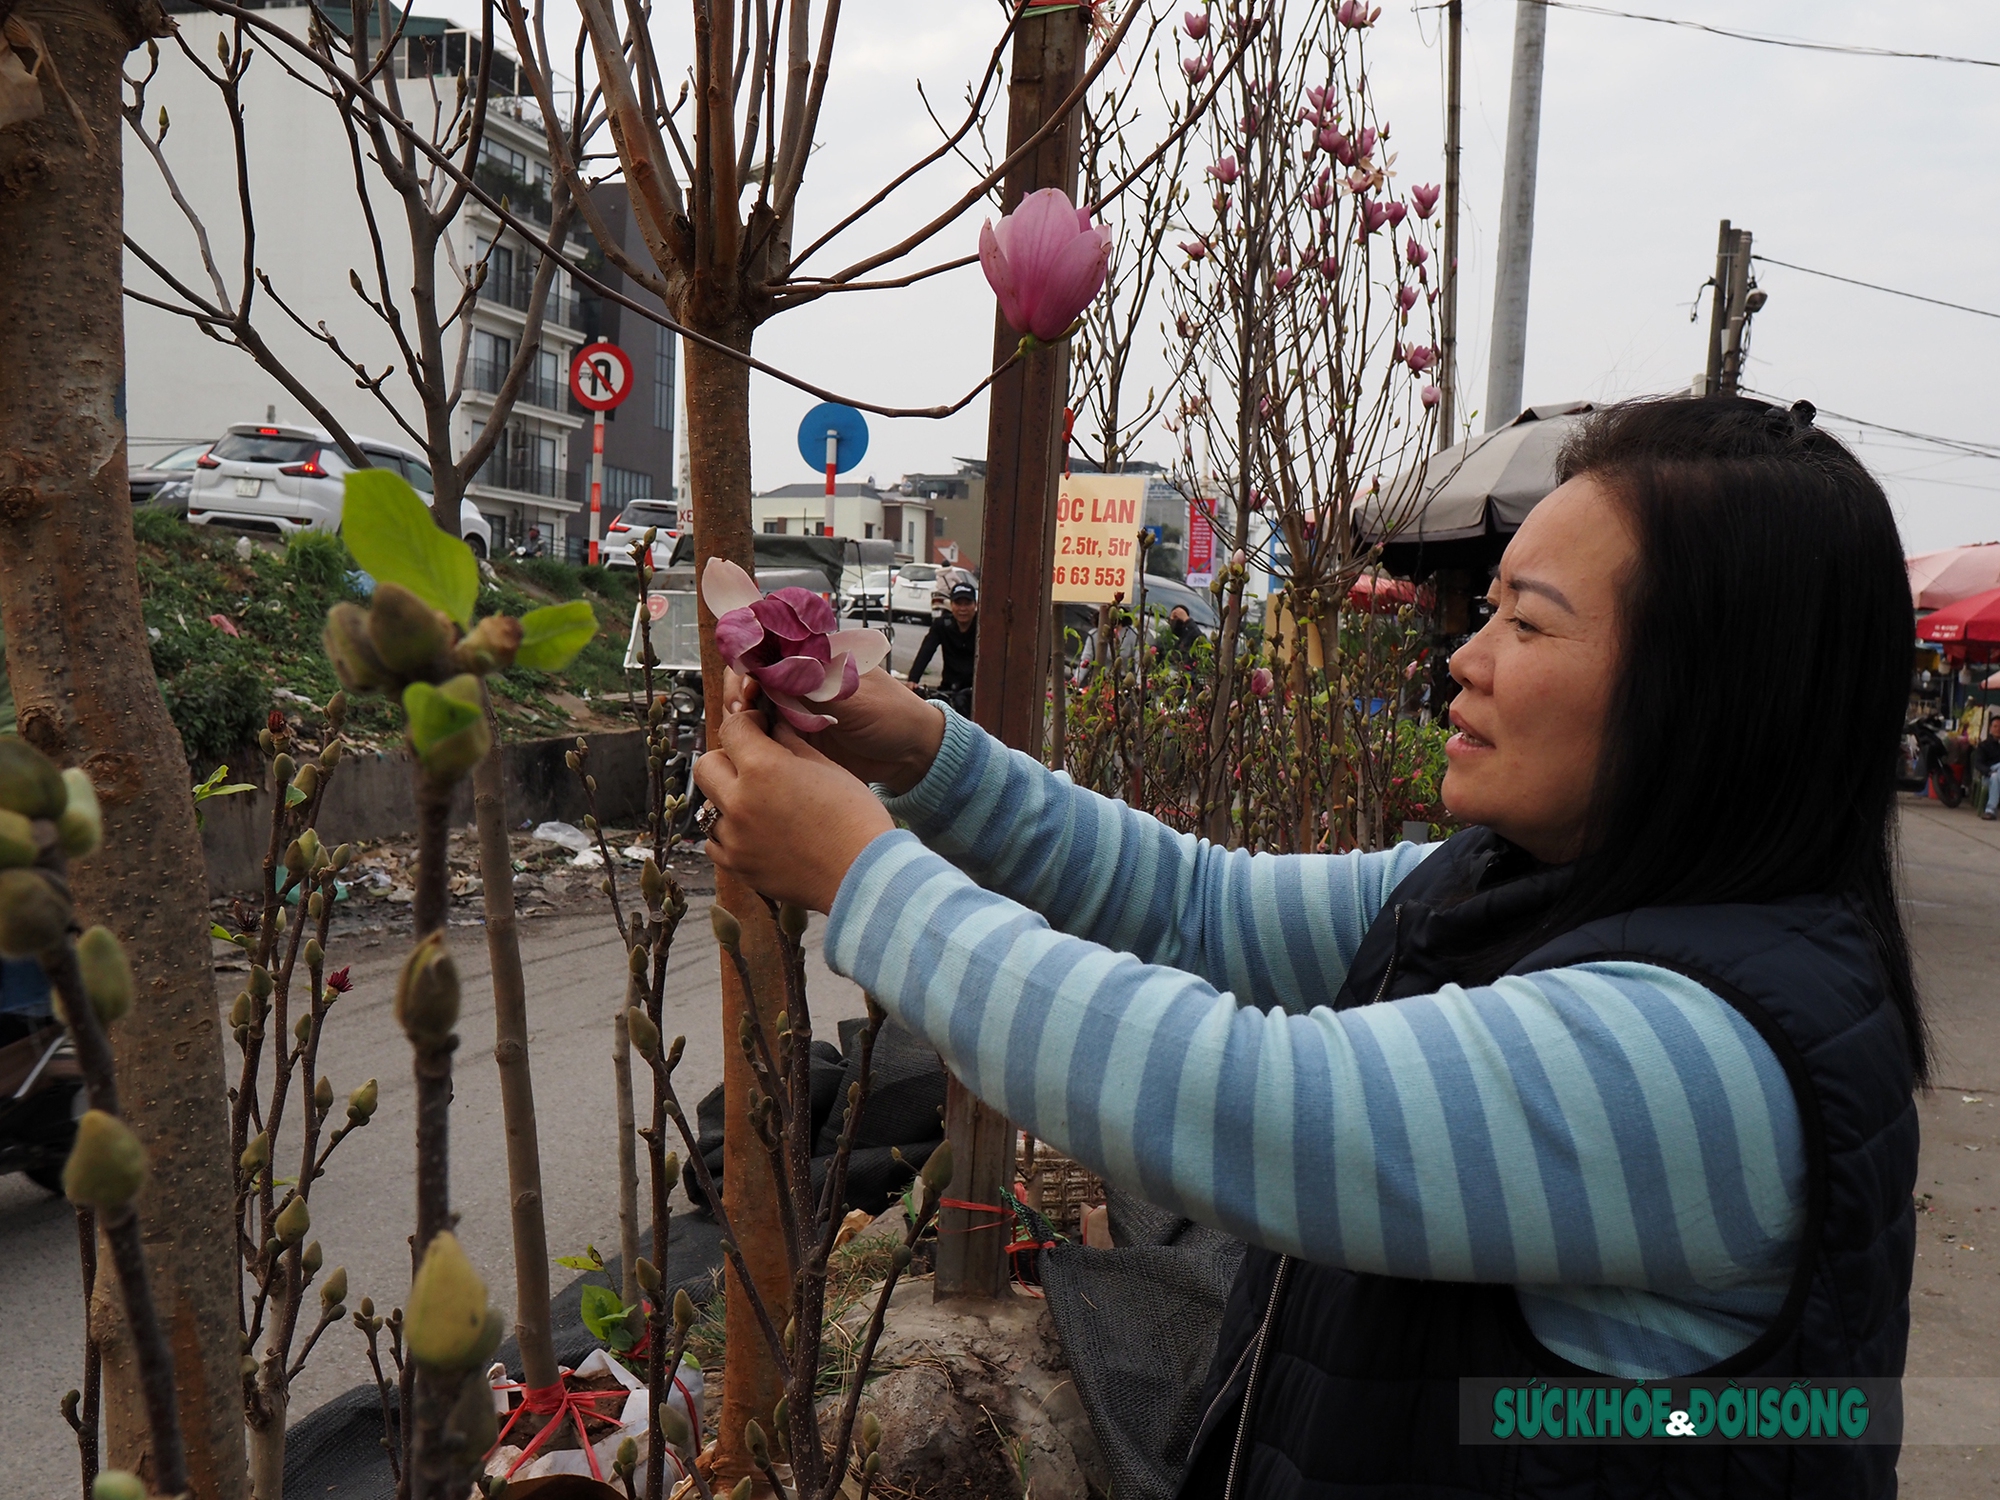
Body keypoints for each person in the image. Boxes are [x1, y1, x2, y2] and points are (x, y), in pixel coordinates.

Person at [695, 397, 1921, 1498]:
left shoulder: (1693, 1055)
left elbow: (1236, 1102)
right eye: (1482, 608)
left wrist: (865, 878)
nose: (1463, 660)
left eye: (1529, 626)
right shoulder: (1518, 890)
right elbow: (1195, 907)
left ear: (1709, 694)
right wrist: (921, 753)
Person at [907, 581, 978, 714]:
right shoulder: (942, 625)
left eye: (967, 604)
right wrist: (913, 679)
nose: (963, 609)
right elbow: (926, 650)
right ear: (951, 605)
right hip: (949, 686)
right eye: (958, 603)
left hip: (975, 689)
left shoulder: (982, 626)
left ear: (975, 605)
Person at [1976, 713, 2000, 820]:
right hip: (1988, 776)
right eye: (1995, 726)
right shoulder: (1984, 745)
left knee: (1996, 776)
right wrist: (1989, 772)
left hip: (1996, 776)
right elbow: (1978, 764)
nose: (1998, 729)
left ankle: (1990, 810)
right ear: (1990, 728)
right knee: (1994, 776)